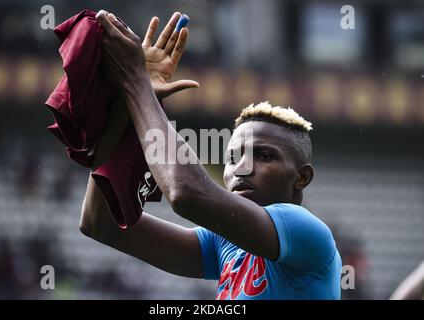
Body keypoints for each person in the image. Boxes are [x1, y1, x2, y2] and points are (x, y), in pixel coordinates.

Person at [80, 10, 342, 300]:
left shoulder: (305, 231)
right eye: (232, 158)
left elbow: (185, 194)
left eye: (265, 156)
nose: (241, 169)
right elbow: (100, 223)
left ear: (302, 177)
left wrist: (136, 83)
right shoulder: (224, 244)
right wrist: (127, 102)